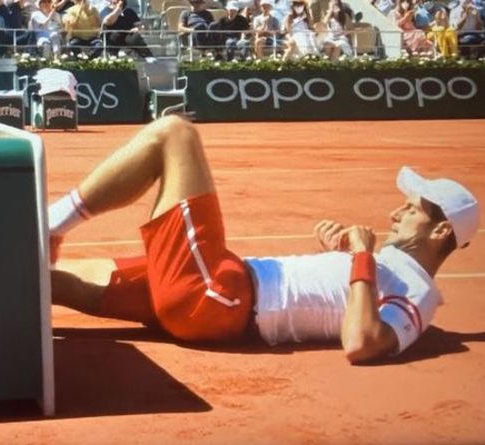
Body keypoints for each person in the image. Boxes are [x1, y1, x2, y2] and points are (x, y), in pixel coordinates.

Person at [49, 116, 480, 364]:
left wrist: (362, 259)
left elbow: (361, 343)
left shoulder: (420, 292)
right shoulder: (394, 270)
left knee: (175, 133)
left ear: (441, 231)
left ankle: (50, 222)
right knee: (53, 278)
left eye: (412, 209)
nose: (396, 212)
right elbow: (330, 300)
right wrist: (347, 258)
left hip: (222, 297)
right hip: (222, 291)